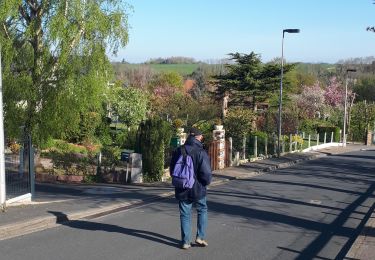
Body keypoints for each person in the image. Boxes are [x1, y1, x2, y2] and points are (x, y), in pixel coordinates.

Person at [170, 127, 212, 249]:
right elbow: (206, 173)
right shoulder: (201, 152)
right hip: (198, 188)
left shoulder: (179, 150)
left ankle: (185, 242)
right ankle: (200, 237)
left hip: (182, 187)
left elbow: (172, 169)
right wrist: (205, 183)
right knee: (202, 210)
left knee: (184, 214)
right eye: (201, 136)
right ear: (198, 137)